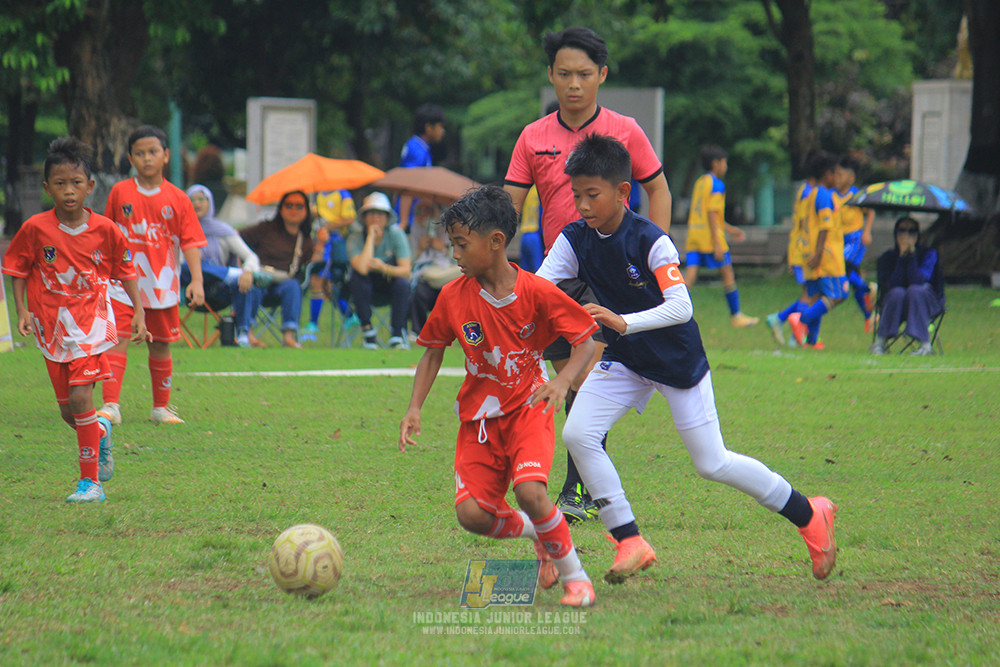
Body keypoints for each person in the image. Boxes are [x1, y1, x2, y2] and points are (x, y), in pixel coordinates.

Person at [537, 134, 838, 584]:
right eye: (575, 194)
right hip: (624, 360)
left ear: (623, 192)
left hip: (677, 362)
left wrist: (622, 321)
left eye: (592, 195)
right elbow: (540, 287)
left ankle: (810, 514)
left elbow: (682, 307)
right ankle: (629, 540)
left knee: (711, 462)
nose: (581, 205)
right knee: (578, 433)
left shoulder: (651, 240)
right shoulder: (574, 239)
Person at [398, 185, 599, 607]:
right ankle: (541, 531)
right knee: (471, 515)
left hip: (530, 406)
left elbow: (584, 340)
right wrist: (415, 407)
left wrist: (561, 384)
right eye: (452, 243)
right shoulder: (453, 297)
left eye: (460, 244)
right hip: (479, 421)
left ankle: (575, 577)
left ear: (495, 243)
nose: (453, 254)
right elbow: (433, 352)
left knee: (530, 491)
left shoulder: (538, 292)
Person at [503, 26, 673, 523]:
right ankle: (589, 479)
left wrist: (651, 252)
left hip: (614, 273)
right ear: (550, 76)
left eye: (583, 74)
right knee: (571, 379)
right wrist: (500, 264)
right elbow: (510, 209)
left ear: (602, 75)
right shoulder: (533, 137)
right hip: (560, 274)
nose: (573, 84)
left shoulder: (625, 129)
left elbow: (658, 190)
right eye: (563, 74)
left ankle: (578, 490)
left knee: (588, 376)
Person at [2, 137, 149, 502]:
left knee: (83, 396)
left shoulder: (106, 230)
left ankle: (90, 483)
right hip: (51, 328)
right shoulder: (35, 228)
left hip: (92, 323)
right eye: (61, 183)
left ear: (90, 187)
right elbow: (17, 269)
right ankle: (99, 431)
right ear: (47, 187)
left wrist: (139, 313)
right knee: (71, 412)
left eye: (77, 183)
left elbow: (126, 271)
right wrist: (21, 310)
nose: (69, 191)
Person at [98, 125, 206, 426]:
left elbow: (191, 242)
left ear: (166, 155)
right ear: (131, 158)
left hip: (161, 287)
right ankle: (111, 406)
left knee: (159, 344)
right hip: (121, 285)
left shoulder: (179, 198)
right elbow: (106, 234)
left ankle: (161, 408)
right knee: (117, 340)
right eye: (140, 153)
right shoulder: (120, 192)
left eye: (153, 152)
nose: (147, 158)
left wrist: (196, 280)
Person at [767, 151, 843, 349]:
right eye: (837, 173)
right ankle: (801, 320)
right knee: (839, 294)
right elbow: (825, 226)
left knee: (814, 295)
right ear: (828, 174)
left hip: (807, 251)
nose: (838, 178)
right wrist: (816, 254)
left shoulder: (811, 193)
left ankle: (809, 340)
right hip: (826, 255)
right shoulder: (824, 195)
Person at [682, 145, 758, 328]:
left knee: (689, 278)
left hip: (695, 236)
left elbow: (708, 214)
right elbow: (712, 213)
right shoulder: (717, 184)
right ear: (716, 164)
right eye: (725, 163)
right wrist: (717, 243)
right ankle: (736, 315)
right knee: (727, 273)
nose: (726, 166)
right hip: (710, 238)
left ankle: (670, 312)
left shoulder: (701, 182)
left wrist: (731, 230)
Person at [235, 190, 315, 349]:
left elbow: (311, 267)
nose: (293, 210)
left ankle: (289, 336)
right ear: (281, 208)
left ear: (306, 211)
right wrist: (242, 268)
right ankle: (248, 334)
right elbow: (235, 238)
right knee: (252, 286)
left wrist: (321, 246)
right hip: (258, 280)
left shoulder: (306, 241)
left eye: (299, 206)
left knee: (293, 286)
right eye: (289, 205)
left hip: (282, 286)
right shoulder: (265, 228)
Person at [870, 217, 944, 356]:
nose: (906, 236)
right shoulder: (888, 257)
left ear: (918, 235)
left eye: (911, 232)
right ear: (895, 234)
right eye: (902, 231)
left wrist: (911, 256)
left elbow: (919, 279)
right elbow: (891, 283)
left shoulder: (929, 254)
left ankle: (925, 344)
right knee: (897, 292)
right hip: (895, 302)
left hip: (927, 302)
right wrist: (901, 257)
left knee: (915, 290)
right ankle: (880, 342)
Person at [347, 192, 411, 349]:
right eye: (372, 213)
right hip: (364, 288)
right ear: (364, 217)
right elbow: (362, 268)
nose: (376, 217)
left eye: (381, 214)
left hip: (389, 284)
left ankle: (397, 334)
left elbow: (406, 270)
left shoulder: (396, 234)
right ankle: (367, 331)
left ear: (387, 217)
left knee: (403, 284)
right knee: (358, 279)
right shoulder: (355, 237)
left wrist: (384, 268)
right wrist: (370, 238)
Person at [184, 184, 260, 300]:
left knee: (245, 283)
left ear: (210, 202)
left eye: (201, 199)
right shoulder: (181, 230)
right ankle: (229, 273)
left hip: (220, 290)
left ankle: (244, 318)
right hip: (189, 289)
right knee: (187, 266)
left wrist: (248, 271)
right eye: (192, 200)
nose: (197, 203)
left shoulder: (223, 230)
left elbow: (251, 256)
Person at [301, 189, 357, 341]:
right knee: (323, 283)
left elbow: (350, 218)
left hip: (335, 244)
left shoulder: (343, 194)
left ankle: (314, 323)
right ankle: (349, 315)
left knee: (319, 281)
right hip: (320, 241)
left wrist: (328, 226)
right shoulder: (318, 194)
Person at [832, 157, 876, 331]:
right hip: (838, 240)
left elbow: (871, 211)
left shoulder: (856, 195)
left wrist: (867, 231)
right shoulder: (832, 195)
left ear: (851, 178)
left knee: (842, 267)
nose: (837, 178)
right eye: (835, 174)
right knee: (851, 280)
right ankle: (869, 312)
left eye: (840, 174)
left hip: (855, 239)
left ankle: (867, 289)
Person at [408, 199, 459, 334]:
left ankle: (449, 332)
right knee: (417, 291)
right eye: (419, 212)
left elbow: (459, 260)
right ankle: (418, 331)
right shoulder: (414, 230)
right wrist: (419, 249)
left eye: (428, 211)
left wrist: (443, 248)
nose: (423, 215)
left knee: (451, 293)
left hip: (446, 277)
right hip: (425, 277)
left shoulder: (450, 229)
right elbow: (408, 262)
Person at [398, 103, 447, 230]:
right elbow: (408, 185)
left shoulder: (421, 148)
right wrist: (403, 222)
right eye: (440, 126)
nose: (442, 131)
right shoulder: (417, 150)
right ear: (428, 127)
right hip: (410, 218)